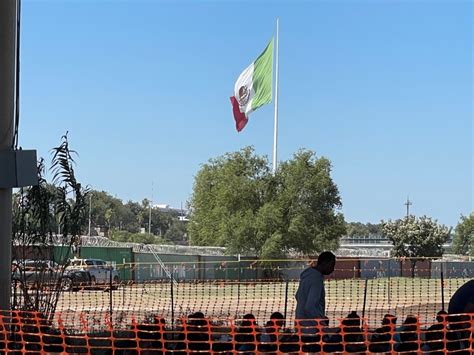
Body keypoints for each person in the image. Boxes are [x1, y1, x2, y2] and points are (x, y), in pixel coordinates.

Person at [295, 251, 336, 322]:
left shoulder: (307, 277)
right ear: (325, 263)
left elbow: (297, 296)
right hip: (310, 326)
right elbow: (310, 306)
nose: (332, 269)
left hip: (300, 322)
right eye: (332, 265)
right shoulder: (316, 279)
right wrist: (320, 321)